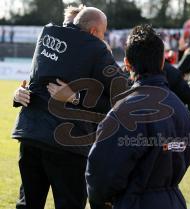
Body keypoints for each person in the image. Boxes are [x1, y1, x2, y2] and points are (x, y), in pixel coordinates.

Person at [12, 5, 118, 209]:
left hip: (66, 141)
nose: (68, 30)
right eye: (66, 24)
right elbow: (36, 83)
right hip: (41, 137)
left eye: (72, 25)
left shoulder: (99, 51)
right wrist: (18, 95)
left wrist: (76, 98)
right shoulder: (55, 45)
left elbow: (114, 99)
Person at [86, 24, 190, 209]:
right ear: (162, 62)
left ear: (127, 64)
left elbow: (101, 176)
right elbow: (187, 154)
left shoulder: (124, 112)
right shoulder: (180, 108)